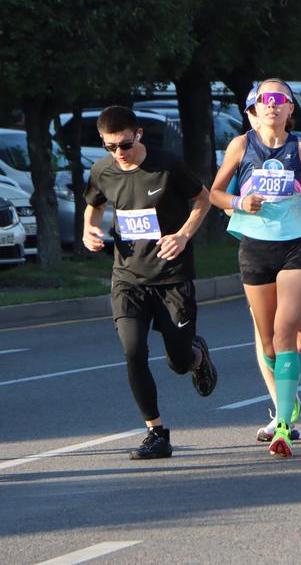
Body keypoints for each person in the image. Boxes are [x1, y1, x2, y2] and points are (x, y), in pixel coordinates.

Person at [83, 106, 218, 461]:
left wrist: (184, 235)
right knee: (133, 351)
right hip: (128, 278)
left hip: (172, 277)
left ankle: (198, 357)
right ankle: (156, 432)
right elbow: (93, 205)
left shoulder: (167, 164)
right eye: (110, 147)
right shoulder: (102, 170)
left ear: (138, 134)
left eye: (124, 145)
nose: (119, 154)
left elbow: (202, 199)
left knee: (178, 359)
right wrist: (90, 230)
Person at [211, 79, 301, 457]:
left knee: (284, 332)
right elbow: (215, 193)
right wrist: (239, 203)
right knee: (267, 342)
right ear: (254, 110)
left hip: (296, 248)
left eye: (280, 100)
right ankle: (286, 402)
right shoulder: (241, 145)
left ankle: (283, 426)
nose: (273, 106)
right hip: (255, 248)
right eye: (266, 100)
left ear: (290, 109)